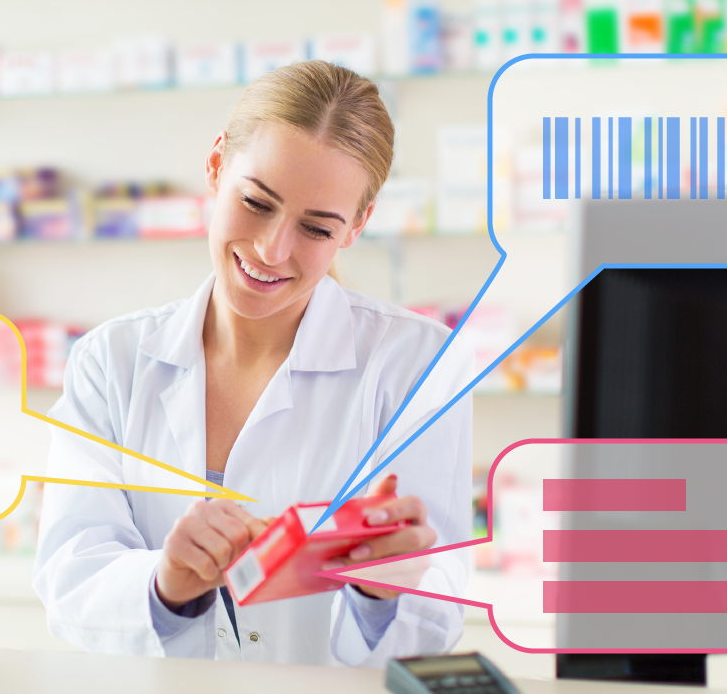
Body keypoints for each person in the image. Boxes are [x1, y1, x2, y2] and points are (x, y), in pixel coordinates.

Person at [33, 60, 473, 667]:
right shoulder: (111, 362)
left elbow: (440, 606)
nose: (273, 250)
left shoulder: (417, 365)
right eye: (257, 203)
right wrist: (167, 585)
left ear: (358, 225)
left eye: (317, 229)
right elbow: (69, 575)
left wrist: (381, 588)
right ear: (216, 166)